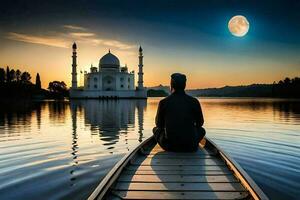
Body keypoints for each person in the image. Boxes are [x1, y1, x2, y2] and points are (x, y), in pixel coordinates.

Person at [153, 73, 206, 152]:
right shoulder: (194, 101)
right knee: (202, 130)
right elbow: (200, 123)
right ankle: (189, 141)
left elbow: (158, 124)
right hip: (190, 146)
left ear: (171, 85)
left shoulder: (163, 102)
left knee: (155, 129)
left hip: (170, 146)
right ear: (185, 85)